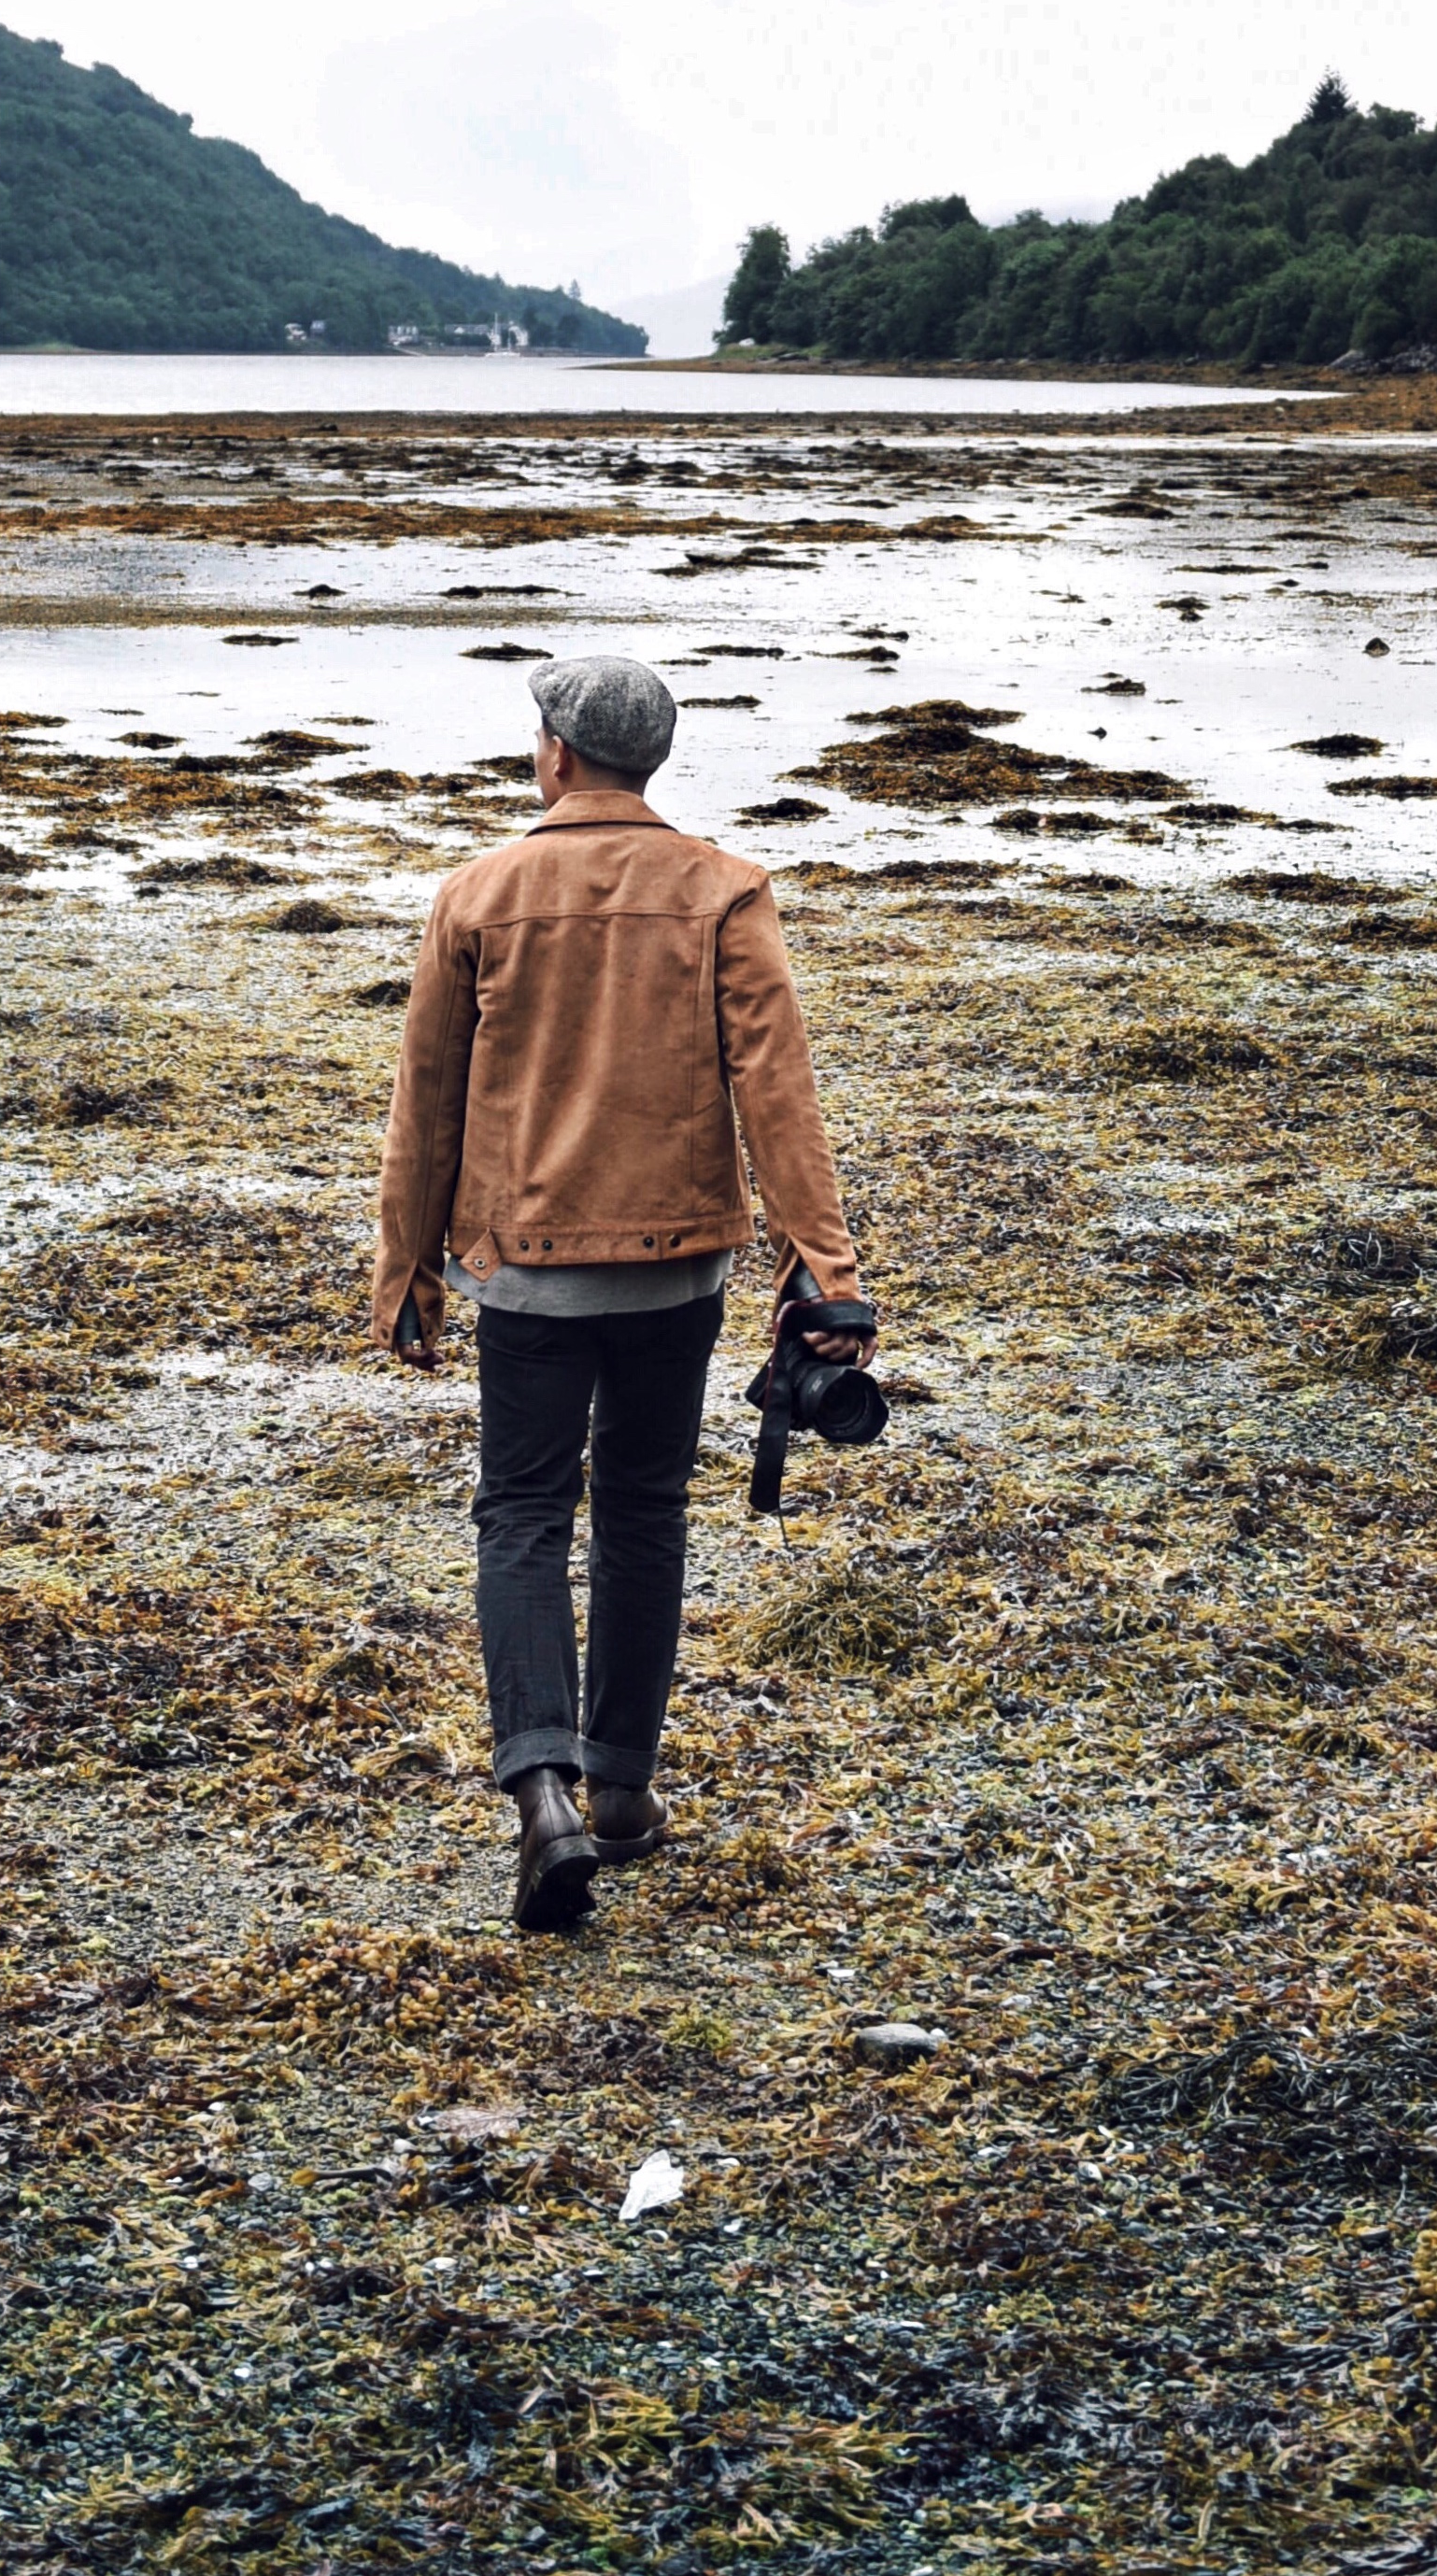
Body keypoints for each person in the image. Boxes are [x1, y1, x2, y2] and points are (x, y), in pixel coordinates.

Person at [371, 652, 876, 1932]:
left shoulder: (477, 893)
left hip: (527, 1271)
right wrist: (825, 1271)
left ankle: (539, 1790)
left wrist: (408, 1273)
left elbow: (424, 1105)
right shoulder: (722, 889)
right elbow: (781, 1095)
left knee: (523, 1515)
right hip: (677, 1267)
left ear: (554, 753)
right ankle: (623, 1790)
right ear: (647, 760)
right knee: (645, 1509)